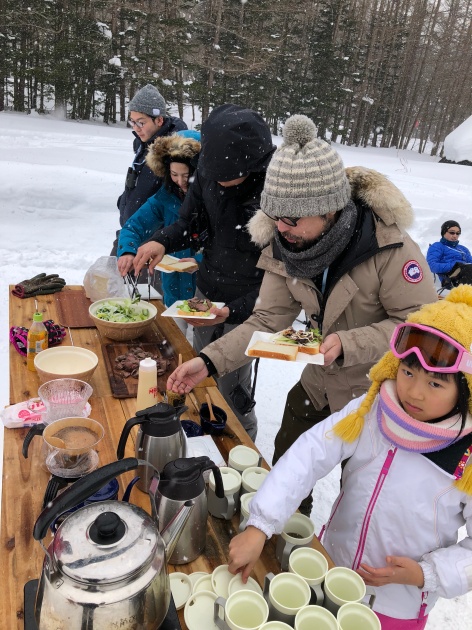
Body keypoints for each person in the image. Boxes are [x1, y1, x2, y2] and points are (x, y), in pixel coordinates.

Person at [166, 114, 438, 514]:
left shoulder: (390, 248)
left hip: (375, 396)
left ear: (328, 210)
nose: (282, 229)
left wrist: (348, 343)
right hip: (318, 385)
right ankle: (286, 531)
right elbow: (266, 320)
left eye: (292, 220)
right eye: (275, 217)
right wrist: (208, 362)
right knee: (287, 473)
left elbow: (421, 326)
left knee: (362, 496)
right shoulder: (284, 243)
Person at [227, 285, 472, 629]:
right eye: (408, 372)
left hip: (396, 605)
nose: (414, 392)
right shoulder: (372, 411)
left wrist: (425, 573)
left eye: (436, 384)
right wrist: (260, 525)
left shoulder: (467, 457)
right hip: (332, 568)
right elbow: (310, 453)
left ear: (465, 390)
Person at [131, 104, 276, 440]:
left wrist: (233, 311)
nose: (220, 183)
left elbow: (281, 282)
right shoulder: (209, 171)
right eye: (214, 175)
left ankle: (241, 446)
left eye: (229, 178)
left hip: (248, 307)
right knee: (200, 368)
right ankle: (208, 431)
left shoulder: (275, 192)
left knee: (232, 388)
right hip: (205, 293)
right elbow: (188, 221)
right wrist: (162, 242)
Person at [117, 130, 201, 317]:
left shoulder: (212, 201)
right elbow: (133, 226)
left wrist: (201, 261)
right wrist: (128, 251)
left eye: (186, 175)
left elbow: (226, 246)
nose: (180, 182)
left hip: (206, 295)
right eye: (174, 174)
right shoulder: (164, 198)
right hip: (174, 291)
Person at [110, 84, 187, 257]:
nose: (136, 128)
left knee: (144, 285)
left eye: (141, 122)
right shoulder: (142, 144)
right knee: (111, 280)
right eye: (133, 121)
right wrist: (124, 202)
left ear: (159, 120)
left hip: (155, 238)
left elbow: (173, 197)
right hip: (131, 230)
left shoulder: (175, 152)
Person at [426, 220, 472, 287]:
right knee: (467, 269)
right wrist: (455, 266)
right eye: (452, 233)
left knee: (468, 268)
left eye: (458, 233)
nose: (455, 236)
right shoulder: (437, 246)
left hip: (467, 273)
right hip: (450, 278)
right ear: (444, 232)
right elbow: (432, 266)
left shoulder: (463, 249)